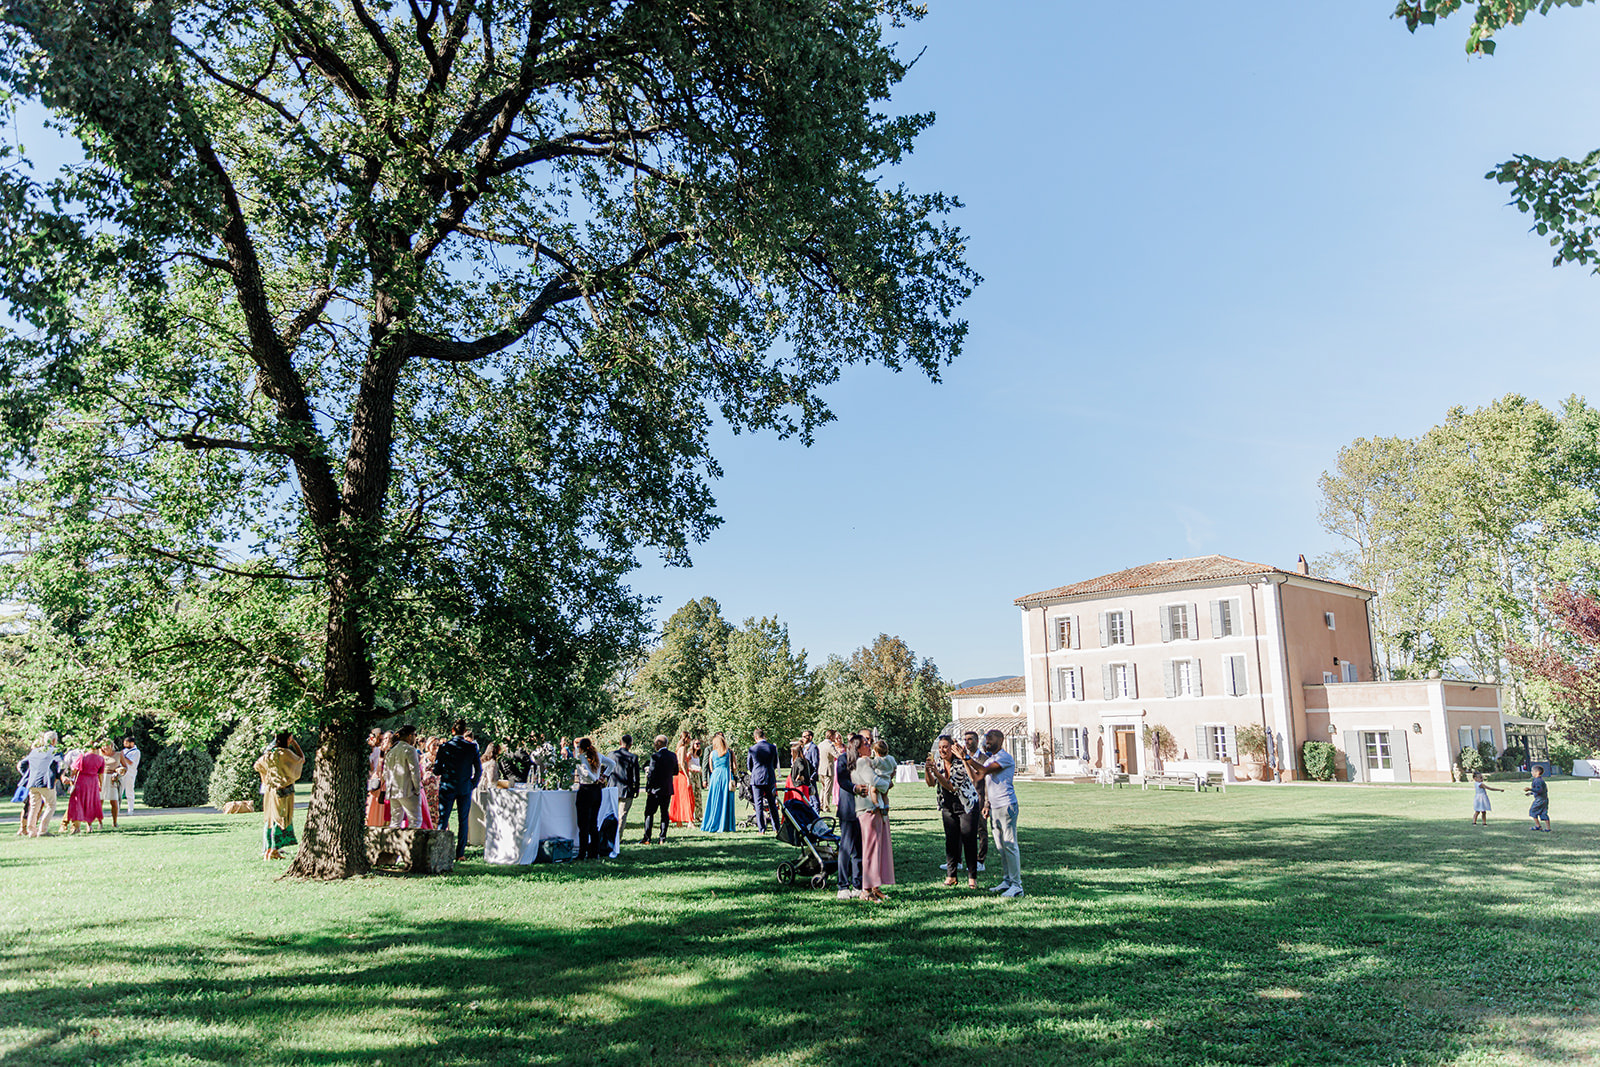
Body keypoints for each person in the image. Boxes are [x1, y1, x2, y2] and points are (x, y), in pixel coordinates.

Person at [965, 729, 1023, 897]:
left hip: (1007, 805)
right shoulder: (992, 758)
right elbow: (977, 778)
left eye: (990, 738)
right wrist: (964, 759)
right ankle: (1007, 881)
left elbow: (983, 771)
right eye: (986, 738)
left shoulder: (1004, 757)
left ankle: (1017, 885)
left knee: (1010, 845)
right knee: (1001, 846)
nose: (986, 741)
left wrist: (967, 758)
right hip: (995, 807)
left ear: (1001, 739)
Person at [925, 735, 982, 888]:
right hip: (948, 805)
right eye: (940, 747)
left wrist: (936, 773)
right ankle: (951, 876)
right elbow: (931, 784)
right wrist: (927, 770)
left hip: (966, 805)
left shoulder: (959, 764)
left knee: (968, 840)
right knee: (951, 841)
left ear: (952, 748)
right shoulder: (938, 762)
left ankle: (972, 878)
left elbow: (951, 786)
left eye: (945, 747)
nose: (942, 750)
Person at [851, 740, 896, 902]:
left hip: (877, 810)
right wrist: (888, 783)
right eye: (866, 743)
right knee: (870, 850)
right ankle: (866, 890)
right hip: (868, 810)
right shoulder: (862, 761)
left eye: (870, 743)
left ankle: (875, 887)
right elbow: (876, 783)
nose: (869, 746)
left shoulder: (872, 762)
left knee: (880, 849)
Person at [433, 720, 482, 861]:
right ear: (464, 730)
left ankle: (439, 850)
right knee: (463, 820)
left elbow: (437, 770)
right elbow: (478, 769)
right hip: (464, 787)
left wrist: (445, 771)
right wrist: (473, 783)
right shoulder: (472, 747)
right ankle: (460, 853)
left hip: (447, 786)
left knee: (443, 819)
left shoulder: (445, 747)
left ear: (453, 730)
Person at [253, 732, 305, 859]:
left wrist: (268, 776)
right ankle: (274, 851)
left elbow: (257, 766)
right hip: (284, 791)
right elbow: (301, 759)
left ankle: (268, 850)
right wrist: (295, 744)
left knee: (271, 819)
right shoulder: (285, 753)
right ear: (288, 739)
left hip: (270, 791)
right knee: (282, 819)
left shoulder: (270, 754)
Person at [572, 736, 616, 860]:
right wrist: (604, 776)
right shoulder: (597, 755)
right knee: (593, 823)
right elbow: (612, 764)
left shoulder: (580, 758)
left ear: (580, 748)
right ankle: (594, 852)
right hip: (597, 791)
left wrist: (595, 778)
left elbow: (585, 772)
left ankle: (582, 853)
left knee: (583, 824)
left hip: (585, 790)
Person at [834, 733, 866, 900]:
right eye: (865, 743)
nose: (868, 745)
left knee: (859, 849)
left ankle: (858, 884)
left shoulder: (866, 762)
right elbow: (842, 781)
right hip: (848, 809)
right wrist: (855, 789)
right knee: (846, 848)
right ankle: (843, 885)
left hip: (863, 810)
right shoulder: (843, 759)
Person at [18, 732, 61, 838]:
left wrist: (28, 775)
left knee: (33, 806)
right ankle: (42, 830)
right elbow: (61, 765)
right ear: (54, 740)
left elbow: (21, 764)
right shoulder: (55, 751)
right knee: (51, 805)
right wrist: (57, 777)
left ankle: (31, 831)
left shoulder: (35, 751)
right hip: (46, 782)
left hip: (32, 782)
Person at [639, 735, 679, 844]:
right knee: (664, 813)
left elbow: (651, 774)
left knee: (649, 813)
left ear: (659, 743)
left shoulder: (655, 756)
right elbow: (675, 771)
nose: (654, 745)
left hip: (655, 790)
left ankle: (647, 838)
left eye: (655, 743)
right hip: (667, 788)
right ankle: (662, 838)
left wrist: (648, 788)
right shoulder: (673, 755)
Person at [385, 725, 424, 828]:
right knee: (415, 820)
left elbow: (386, 774)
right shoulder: (410, 750)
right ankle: (412, 843)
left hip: (393, 791)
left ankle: (393, 843)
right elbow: (415, 772)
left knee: (395, 821)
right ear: (410, 736)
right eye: (415, 735)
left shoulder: (391, 751)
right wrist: (417, 789)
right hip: (407, 790)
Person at [63, 742, 106, 834]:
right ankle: (89, 826)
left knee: (77, 803)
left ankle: (76, 827)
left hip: (81, 781)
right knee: (90, 803)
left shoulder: (82, 756)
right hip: (93, 782)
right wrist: (100, 784)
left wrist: (71, 779)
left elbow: (75, 769)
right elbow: (100, 774)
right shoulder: (101, 759)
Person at [962, 730, 989, 872]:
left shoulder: (984, 760)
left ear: (977, 741)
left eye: (970, 739)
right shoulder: (962, 758)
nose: (967, 742)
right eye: (965, 739)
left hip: (980, 799)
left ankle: (980, 860)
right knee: (964, 830)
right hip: (965, 799)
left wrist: (987, 803)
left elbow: (988, 784)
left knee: (981, 830)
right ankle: (961, 860)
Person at [746, 728, 781, 833]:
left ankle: (762, 829)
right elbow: (775, 764)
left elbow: (749, 766)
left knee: (758, 804)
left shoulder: (752, 749)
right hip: (769, 777)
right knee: (772, 803)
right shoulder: (772, 748)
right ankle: (776, 827)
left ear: (756, 737)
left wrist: (755, 772)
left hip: (757, 778)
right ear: (764, 736)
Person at [700, 732, 737, 832]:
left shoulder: (712, 753)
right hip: (726, 776)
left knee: (715, 799)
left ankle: (713, 822)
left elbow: (711, 768)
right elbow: (734, 767)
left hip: (716, 776)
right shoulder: (729, 753)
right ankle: (727, 825)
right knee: (727, 800)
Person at [469, 741, 502, 847]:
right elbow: (492, 779)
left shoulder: (482, 761)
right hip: (484, 791)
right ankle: (484, 839)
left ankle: (474, 839)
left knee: (475, 815)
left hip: (476, 789)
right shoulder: (492, 763)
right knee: (486, 815)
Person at [610, 735, 640, 837]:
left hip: (612, 787)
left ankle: (610, 836)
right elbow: (636, 776)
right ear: (630, 745)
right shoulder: (633, 757)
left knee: (611, 813)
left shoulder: (611, 755)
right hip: (626, 789)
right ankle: (618, 837)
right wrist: (636, 789)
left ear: (620, 742)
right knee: (622, 814)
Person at [669, 732, 697, 825]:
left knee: (679, 796)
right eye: (689, 738)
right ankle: (689, 821)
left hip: (677, 775)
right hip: (682, 775)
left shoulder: (679, 748)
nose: (690, 740)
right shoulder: (683, 748)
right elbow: (682, 763)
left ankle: (679, 822)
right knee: (687, 796)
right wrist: (687, 776)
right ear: (686, 739)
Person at [365, 729, 390, 826]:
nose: (381, 743)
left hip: (376, 783)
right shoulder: (366, 750)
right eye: (379, 740)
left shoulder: (380, 751)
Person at [97, 740, 124, 829]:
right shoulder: (98, 754)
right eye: (103, 746)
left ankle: (115, 822)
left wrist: (119, 771)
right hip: (101, 778)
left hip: (112, 778)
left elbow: (125, 767)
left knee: (114, 801)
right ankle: (100, 822)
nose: (105, 747)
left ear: (112, 745)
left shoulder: (118, 754)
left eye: (107, 745)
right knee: (99, 801)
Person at [785, 741, 813, 807]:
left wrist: (799, 775)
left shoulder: (798, 760)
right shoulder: (805, 760)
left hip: (799, 785)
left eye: (792, 752)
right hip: (805, 785)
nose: (791, 754)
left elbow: (801, 768)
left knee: (799, 803)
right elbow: (812, 768)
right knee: (805, 803)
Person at [817, 730, 839, 812]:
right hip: (828, 770)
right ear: (831, 736)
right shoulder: (830, 746)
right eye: (834, 736)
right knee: (827, 790)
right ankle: (826, 807)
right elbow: (837, 755)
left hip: (821, 769)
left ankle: (821, 804)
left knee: (823, 788)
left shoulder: (820, 744)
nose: (835, 738)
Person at [118, 736, 142, 814]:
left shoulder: (136, 752)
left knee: (129, 791)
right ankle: (117, 809)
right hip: (122, 773)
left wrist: (122, 756)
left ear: (132, 743)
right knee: (119, 791)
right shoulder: (124, 751)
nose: (125, 745)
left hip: (130, 773)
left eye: (127, 743)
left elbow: (131, 762)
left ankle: (130, 809)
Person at [1525, 765, 1551, 832]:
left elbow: (1540, 790)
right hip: (1544, 799)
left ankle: (1538, 826)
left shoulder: (1537, 781)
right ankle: (1548, 828)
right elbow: (1540, 791)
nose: (1531, 772)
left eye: (1532, 771)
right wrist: (1531, 793)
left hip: (1540, 800)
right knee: (1543, 813)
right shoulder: (1539, 780)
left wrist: (1530, 789)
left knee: (1533, 811)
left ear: (1537, 772)